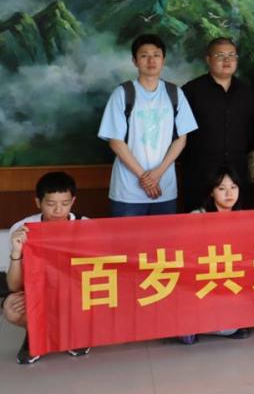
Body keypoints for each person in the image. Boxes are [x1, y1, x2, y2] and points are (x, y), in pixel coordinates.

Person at [98, 34, 198, 216]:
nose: (151, 60)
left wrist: (158, 173)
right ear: (135, 61)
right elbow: (116, 141)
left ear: (163, 59)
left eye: (156, 55)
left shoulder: (174, 93)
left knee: (164, 235)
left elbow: (181, 139)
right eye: (144, 55)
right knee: (127, 235)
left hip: (164, 188)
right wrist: (144, 177)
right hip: (128, 191)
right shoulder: (122, 93)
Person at [3, 172, 88, 364]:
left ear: (73, 201)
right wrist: (16, 252)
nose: (58, 210)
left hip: (75, 292)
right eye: (50, 204)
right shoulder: (24, 228)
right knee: (11, 308)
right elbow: (14, 286)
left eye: (65, 203)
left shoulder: (86, 226)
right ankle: (37, 333)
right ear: (38, 202)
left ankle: (70, 332)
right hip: (40, 292)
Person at [180, 37, 254, 211]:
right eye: (220, 55)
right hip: (200, 172)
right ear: (208, 59)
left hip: (237, 173)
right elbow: (180, 134)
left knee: (236, 224)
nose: (227, 60)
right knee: (198, 222)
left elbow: (252, 133)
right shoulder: (191, 91)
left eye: (231, 55)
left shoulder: (247, 92)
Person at [180, 168, 252, 343]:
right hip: (204, 281)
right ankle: (191, 323)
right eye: (221, 188)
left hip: (231, 279)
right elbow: (185, 257)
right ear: (211, 192)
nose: (229, 194)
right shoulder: (197, 217)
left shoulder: (244, 218)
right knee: (228, 326)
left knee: (237, 321)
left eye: (233, 187)